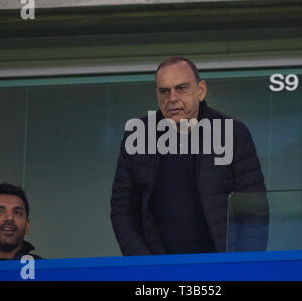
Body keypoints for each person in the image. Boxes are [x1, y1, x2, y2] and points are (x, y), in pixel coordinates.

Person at [110, 56, 268, 256]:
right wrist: (144, 264)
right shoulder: (138, 135)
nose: (172, 98)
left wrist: (241, 269)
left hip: (219, 268)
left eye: (181, 88)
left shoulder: (233, 134)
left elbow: (253, 212)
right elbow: (123, 209)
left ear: (201, 90)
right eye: (164, 91)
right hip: (158, 270)